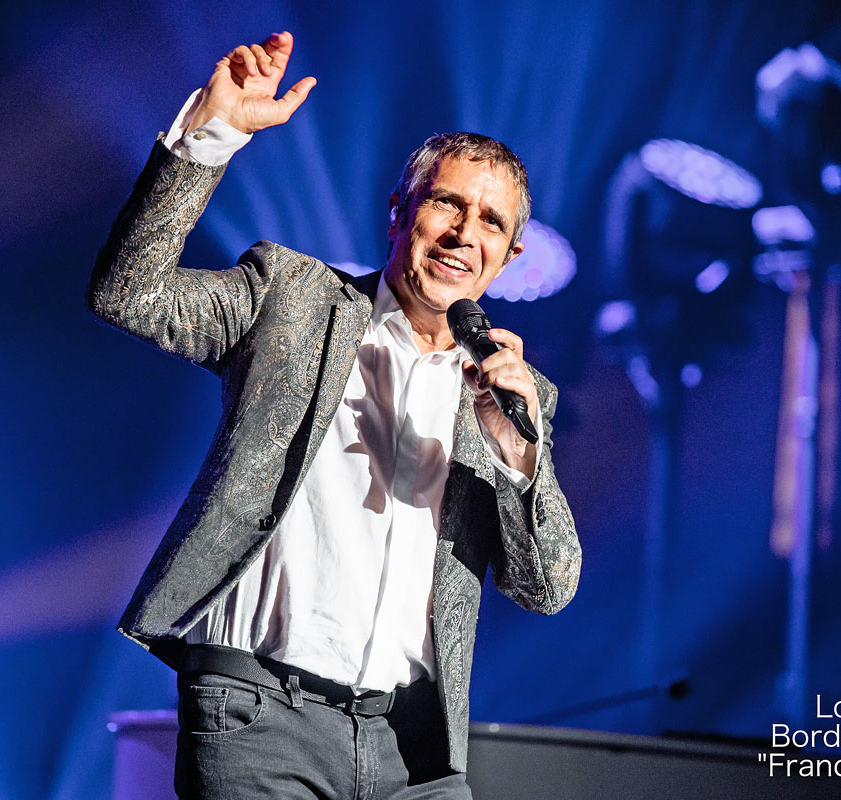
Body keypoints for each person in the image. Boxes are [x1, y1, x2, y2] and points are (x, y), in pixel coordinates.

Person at [88, 31, 580, 800]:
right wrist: (208, 138)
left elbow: (547, 587)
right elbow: (129, 294)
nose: (464, 233)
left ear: (509, 257)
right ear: (399, 213)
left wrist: (518, 455)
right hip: (258, 717)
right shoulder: (295, 298)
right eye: (447, 203)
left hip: (413, 752)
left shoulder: (512, 392)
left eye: (491, 222)